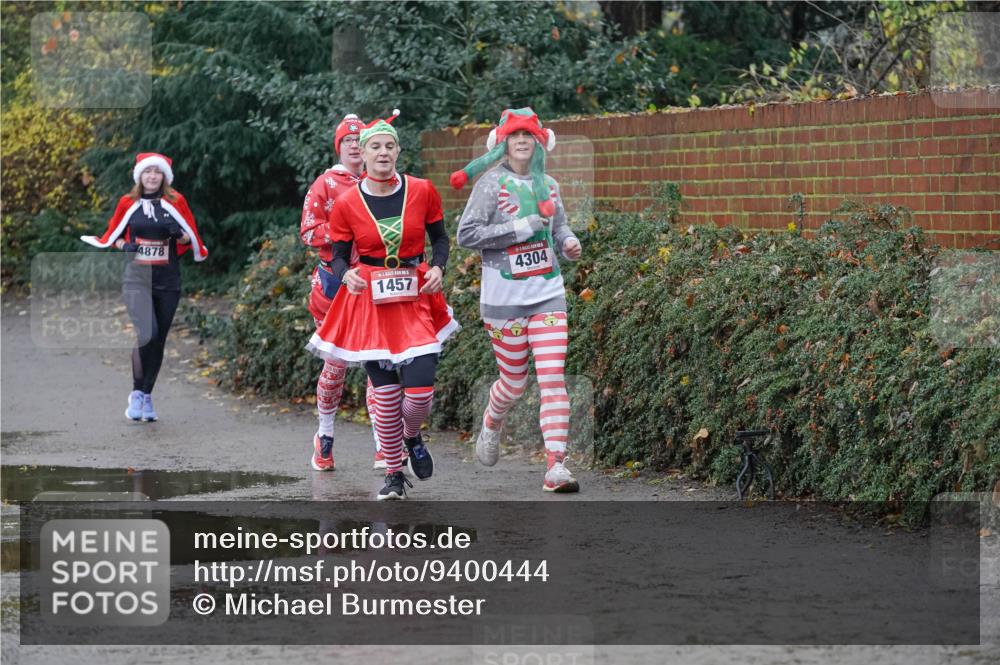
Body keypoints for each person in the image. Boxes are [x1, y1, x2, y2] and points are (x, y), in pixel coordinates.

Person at [307, 110, 458, 500]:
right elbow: (339, 254)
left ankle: (412, 435)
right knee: (387, 399)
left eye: (389, 146)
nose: (382, 152)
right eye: (375, 146)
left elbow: (440, 238)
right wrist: (345, 275)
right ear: (363, 153)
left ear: (398, 151)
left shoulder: (422, 190)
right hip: (371, 303)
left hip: (416, 297)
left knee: (419, 394)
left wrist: (439, 267)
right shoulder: (345, 202)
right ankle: (394, 475)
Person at [452, 108, 583, 493]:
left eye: (529, 136)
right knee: (514, 382)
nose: (523, 142)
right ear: (504, 144)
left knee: (552, 378)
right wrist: (519, 228)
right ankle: (492, 422)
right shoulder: (490, 185)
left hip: (547, 295)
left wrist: (568, 242)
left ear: (540, 142)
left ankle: (556, 465)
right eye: (515, 137)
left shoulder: (550, 185)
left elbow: (558, 225)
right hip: (503, 301)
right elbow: (467, 235)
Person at [81, 152, 208, 422]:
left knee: (159, 339)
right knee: (146, 332)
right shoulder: (128, 202)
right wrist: (125, 246)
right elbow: (112, 235)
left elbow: (190, 236)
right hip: (137, 278)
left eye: (157, 172)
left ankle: (147, 395)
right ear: (140, 175)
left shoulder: (175, 202)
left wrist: (178, 232)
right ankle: (136, 393)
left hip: (168, 279)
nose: (152, 176)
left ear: (164, 177)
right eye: (148, 172)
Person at [300, 113, 395, 472]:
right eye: (348, 141)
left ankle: (382, 444)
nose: (355, 146)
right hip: (333, 287)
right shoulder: (326, 183)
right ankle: (324, 435)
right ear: (339, 147)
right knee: (336, 366)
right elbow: (308, 231)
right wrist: (345, 232)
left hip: (376, 286)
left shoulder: (385, 184)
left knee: (379, 365)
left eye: (360, 140)